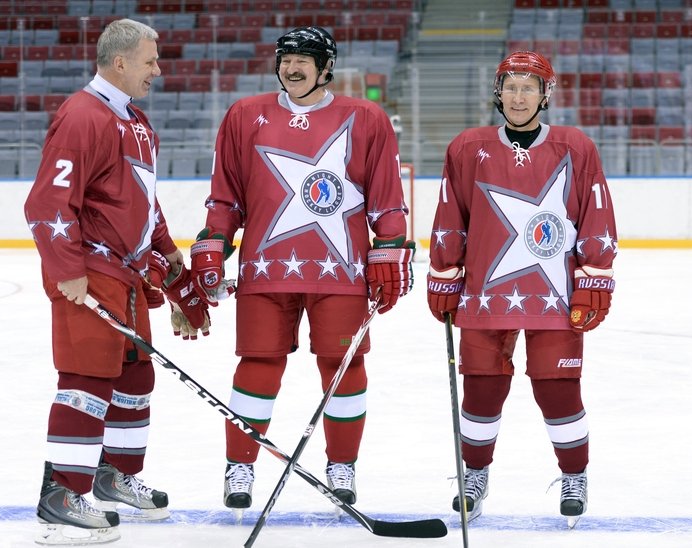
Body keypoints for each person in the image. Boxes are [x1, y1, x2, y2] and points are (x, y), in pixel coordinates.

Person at [188, 26, 414, 513]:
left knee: (344, 365)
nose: (293, 67)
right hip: (267, 271)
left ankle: (342, 465)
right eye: (286, 58)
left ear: (326, 67)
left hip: (341, 271)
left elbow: (387, 201)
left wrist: (390, 249)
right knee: (258, 363)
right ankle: (240, 465)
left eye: (304, 59)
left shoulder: (367, 118)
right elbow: (226, 196)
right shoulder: (244, 115)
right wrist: (214, 244)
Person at [24, 18, 209, 545]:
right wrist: (68, 271)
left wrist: (173, 271)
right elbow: (46, 204)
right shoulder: (83, 117)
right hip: (91, 272)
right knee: (87, 380)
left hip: (125, 276)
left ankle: (113, 477)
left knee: (134, 381)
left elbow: (145, 210)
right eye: (150, 60)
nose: (158, 69)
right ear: (120, 61)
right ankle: (61, 492)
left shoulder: (136, 122)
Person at [426, 51, 617, 526]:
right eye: (510, 86)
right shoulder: (468, 148)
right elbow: (452, 217)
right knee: (482, 391)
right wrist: (446, 273)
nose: (518, 96)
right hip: (486, 292)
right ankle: (474, 474)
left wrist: (594, 276)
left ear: (545, 95)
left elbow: (597, 215)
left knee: (558, 391)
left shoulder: (575, 147)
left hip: (554, 293)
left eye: (528, 87)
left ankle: (575, 475)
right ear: (498, 92)